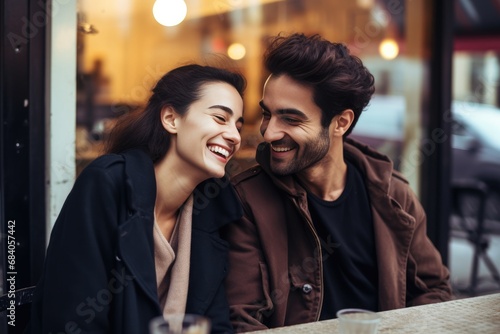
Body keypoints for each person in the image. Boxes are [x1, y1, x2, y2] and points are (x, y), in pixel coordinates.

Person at [222, 33, 452, 332]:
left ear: (340, 123)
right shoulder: (246, 200)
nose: (269, 133)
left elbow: (435, 291)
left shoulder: (393, 195)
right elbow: (242, 320)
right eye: (268, 114)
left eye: (291, 119)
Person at [26, 64, 246, 334]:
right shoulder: (107, 185)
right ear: (171, 118)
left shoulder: (212, 209)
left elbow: (216, 326)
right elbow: (73, 321)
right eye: (220, 118)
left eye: (238, 125)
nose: (235, 136)